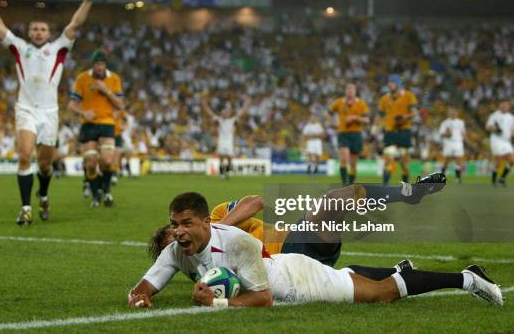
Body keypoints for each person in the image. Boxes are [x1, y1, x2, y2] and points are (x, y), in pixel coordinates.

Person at [129, 192, 502, 308]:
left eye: (185, 224)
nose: (177, 233)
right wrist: (140, 298)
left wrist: (217, 303)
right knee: (356, 279)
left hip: (296, 278)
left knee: (381, 295)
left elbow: (263, 299)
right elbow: (145, 286)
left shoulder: (238, 241)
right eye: (173, 225)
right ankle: (400, 269)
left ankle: (468, 279)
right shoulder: (175, 251)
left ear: (206, 223)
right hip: (286, 272)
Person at [149, 172, 447, 267]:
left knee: (338, 198)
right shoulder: (205, 268)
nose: (178, 238)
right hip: (287, 264)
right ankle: (398, 275)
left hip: (298, 238)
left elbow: (256, 202)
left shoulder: (214, 217)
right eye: (171, 247)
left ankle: (408, 192)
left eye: (175, 230)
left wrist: (218, 228)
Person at [0, 0, 94, 224]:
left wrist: (88, 1)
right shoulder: (21, 48)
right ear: (29, 33)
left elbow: (75, 24)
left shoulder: (59, 47)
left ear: (48, 33)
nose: (39, 32)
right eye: (35, 29)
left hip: (50, 112)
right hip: (26, 109)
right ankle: (26, 207)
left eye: (42, 29)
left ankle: (43, 194)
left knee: (44, 164)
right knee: (24, 156)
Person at [69, 50, 124, 207]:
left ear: (105, 65)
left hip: (107, 123)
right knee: (91, 164)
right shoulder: (82, 78)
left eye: (102, 64)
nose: (99, 67)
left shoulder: (114, 79)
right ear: (92, 65)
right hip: (89, 125)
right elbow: (72, 104)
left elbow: (120, 104)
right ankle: (96, 195)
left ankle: (106, 191)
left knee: (107, 161)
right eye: (97, 64)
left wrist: (106, 91)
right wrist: (83, 112)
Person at [375, 74, 418, 185]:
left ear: (398, 84)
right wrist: (374, 129)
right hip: (390, 132)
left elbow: (414, 113)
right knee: (388, 160)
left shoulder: (409, 96)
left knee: (404, 164)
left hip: (404, 131)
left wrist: (404, 117)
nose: (389, 84)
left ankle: (406, 188)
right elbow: (379, 115)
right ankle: (385, 187)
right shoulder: (384, 99)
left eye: (392, 82)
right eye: (389, 82)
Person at [329, 83, 370, 184]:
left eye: (352, 89)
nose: (350, 91)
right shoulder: (339, 102)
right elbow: (328, 114)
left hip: (356, 135)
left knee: (353, 163)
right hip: (343, 134)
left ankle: (350, 184)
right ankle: (344, 183)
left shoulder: (361, 103)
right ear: (345, 91)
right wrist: (333, 123)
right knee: (344, 159)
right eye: (348, 89)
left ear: (355, 91)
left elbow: (367, 120)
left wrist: (355, 118)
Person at [202, 96, 251, 179]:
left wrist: (246, 104)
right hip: (221, 140)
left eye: (226, 113)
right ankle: (221, 174)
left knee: (229, 159)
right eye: (224, 113)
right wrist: (205, 105)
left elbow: (241, 113)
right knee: (221, 158)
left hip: (229, 141)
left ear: (228, 114)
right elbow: (210, 113)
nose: (225, 114)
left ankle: (227, 173)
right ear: (222, 114)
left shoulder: (232, 120)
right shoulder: (219, 120)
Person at [485, 100, 513, 187]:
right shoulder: (494, 115)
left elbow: (512, 130)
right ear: (499, 105)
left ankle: (501, 178)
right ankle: (493, 181)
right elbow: (488, 127)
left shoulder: (511, 117)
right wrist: (495, 129)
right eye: (503, 104)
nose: (504, 106)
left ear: (509, 106)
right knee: (498, 162)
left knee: (512, 161)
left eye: (506, 105)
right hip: (496, 140)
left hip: (507, 141)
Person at [439, 108, 466, 184]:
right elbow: (441, 133)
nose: (453, 114)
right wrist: (447, 134)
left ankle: (458, 178)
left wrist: (463, 138)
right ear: (448, 113)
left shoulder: (461, 122)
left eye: (454, 112)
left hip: (458, 142)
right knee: (447, 160)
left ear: (457, 113)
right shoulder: (445, 122)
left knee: (459, 159)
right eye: (451, 112)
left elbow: (463, 132)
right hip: (448, 142)